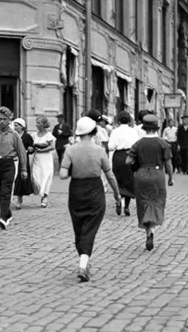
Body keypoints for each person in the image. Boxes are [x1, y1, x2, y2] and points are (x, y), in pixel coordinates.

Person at [59, 116, 120, 282]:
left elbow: (63, 175)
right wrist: (116, 193)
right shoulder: (99, 151)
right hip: (95, 190)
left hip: (76, 190)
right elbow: (110, 175)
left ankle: (84, 260)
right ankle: (83, 264)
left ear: (78, 133)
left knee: (79, 227)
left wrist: (75, 170)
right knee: (90, 228)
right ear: (94, 132)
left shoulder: (70, 150)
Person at [126, 114, 174, 252]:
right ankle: (151, 231)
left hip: (141, 175)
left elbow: (128, 161)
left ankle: (147, 230)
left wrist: (137, 165)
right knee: (157, 202)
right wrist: (171, 178)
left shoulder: (138, 143)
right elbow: (169, 164)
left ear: (144, 128)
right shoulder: (163, 144)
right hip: (157, 175)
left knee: (143, 203)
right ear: (156, 128)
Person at [108, 111, 139, 217]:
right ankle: (126, 206)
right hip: (129, 155)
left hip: (118, 157)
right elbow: (137, 145)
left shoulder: (115, 131)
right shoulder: (133, 131)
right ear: (129, 120)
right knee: (129, 180)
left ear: (119, 120)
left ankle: (118, 200)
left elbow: (110, 146)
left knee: (118, 180)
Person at [31, 115, 56, 208]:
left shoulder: (49, 135)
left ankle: (45, 196)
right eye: (36, 123)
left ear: (43, 124)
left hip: (46, 159)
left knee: (46, 176)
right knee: (36, 175)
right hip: (37, 159)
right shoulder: (34, 135)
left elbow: (52, 146)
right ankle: (38, 191)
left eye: (39, 123)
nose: (36, 125)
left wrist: (43, 150)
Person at [12, 118, 35, 209]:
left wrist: (30, 149)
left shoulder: (27, 136)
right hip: (12, 158)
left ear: (22, 127)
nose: (15, 127)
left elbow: (31, 148)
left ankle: (19, 198)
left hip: (22, 159)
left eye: (17, 125)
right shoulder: (12, 135)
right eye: (14, 125)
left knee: (19, 179)